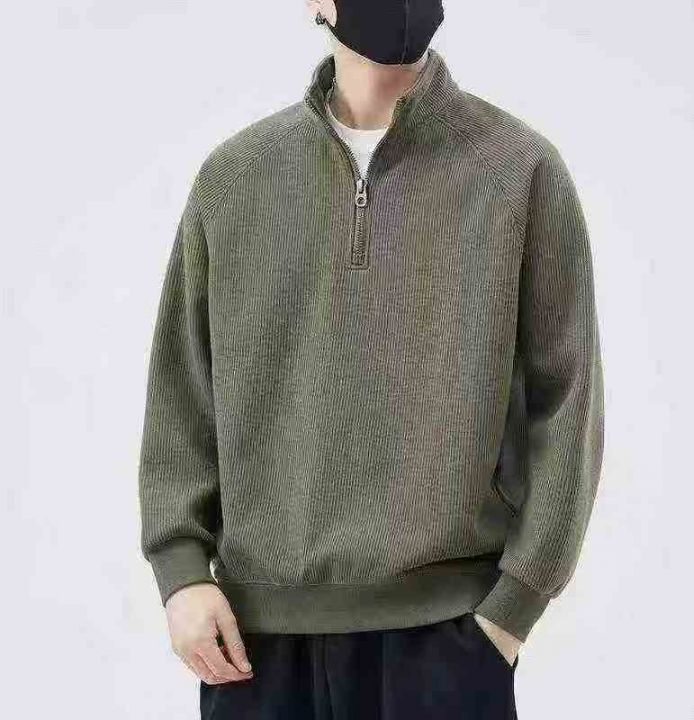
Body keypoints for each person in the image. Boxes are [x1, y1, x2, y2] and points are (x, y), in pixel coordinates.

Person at [137, 1, 605, 717]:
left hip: (447, 637)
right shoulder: (235, 178)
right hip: (257, 644)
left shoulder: (520, 171)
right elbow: (182, 390)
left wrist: (511, 611)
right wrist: (181, 573)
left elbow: (569, 402)